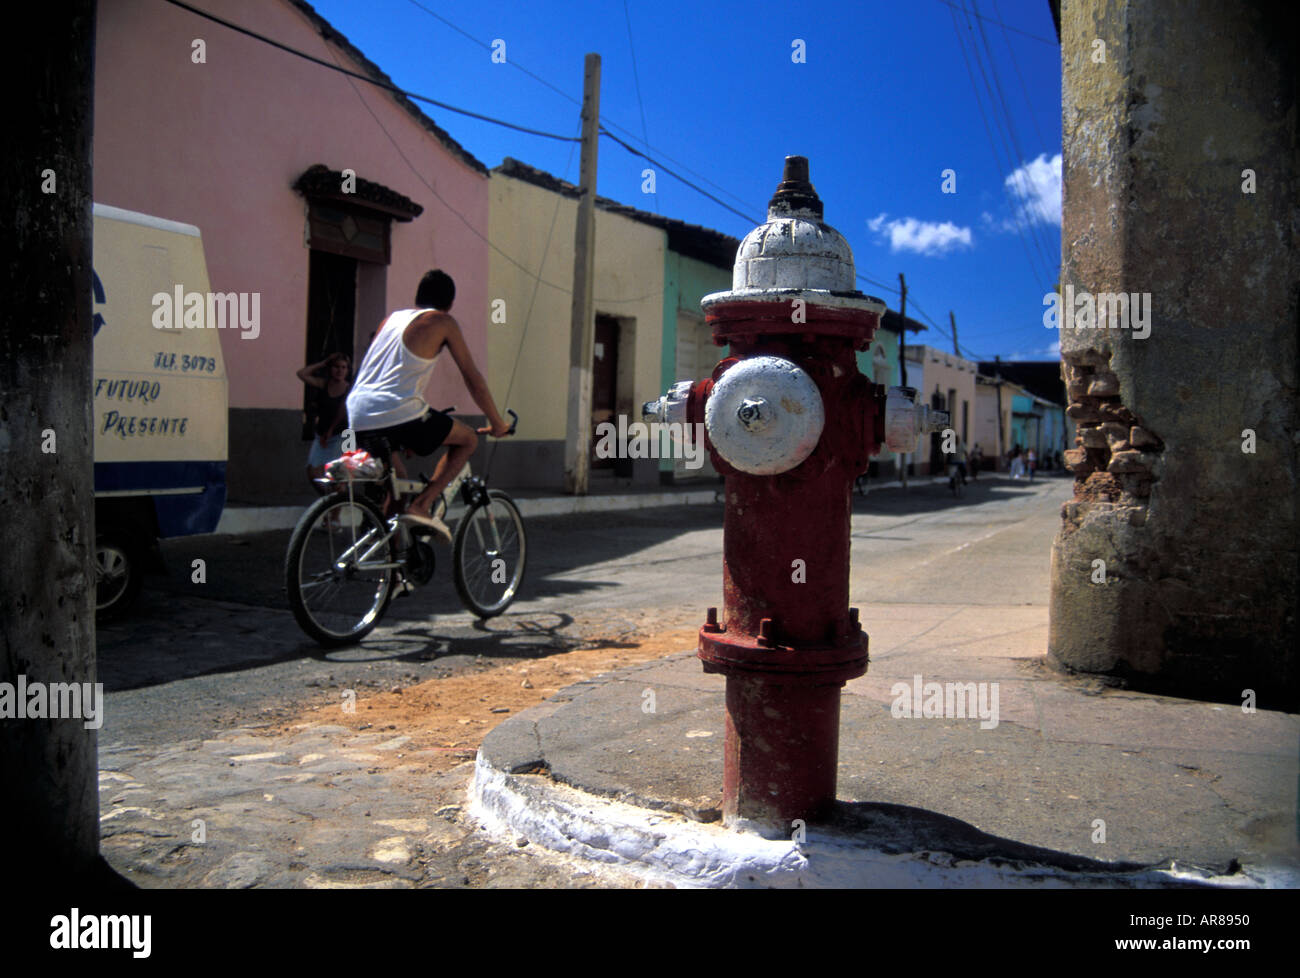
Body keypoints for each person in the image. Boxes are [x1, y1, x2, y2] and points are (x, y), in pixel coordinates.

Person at [346, 269, 512, 543]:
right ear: (450, 303)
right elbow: (473, 378)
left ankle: (393, 576)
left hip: (358, 411)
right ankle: (423, 506)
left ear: (418, 297)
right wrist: (497, 423)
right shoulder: (443, 321)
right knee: (468, 440)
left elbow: (381, 372)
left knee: (397, 484)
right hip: (397, 411)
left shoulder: (391, 319)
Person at [297, 352, 352, 491]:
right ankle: (328, 503)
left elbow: (342, 412)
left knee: (337, 477)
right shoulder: (324, 384)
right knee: (312, 471)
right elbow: (302, 374)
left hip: (342, 435)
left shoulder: (348, 388)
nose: (340, 371)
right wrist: (323, 363)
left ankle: (334, 510)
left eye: (344, 367)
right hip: (321, 433)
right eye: (336, 367)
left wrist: (331, 430)